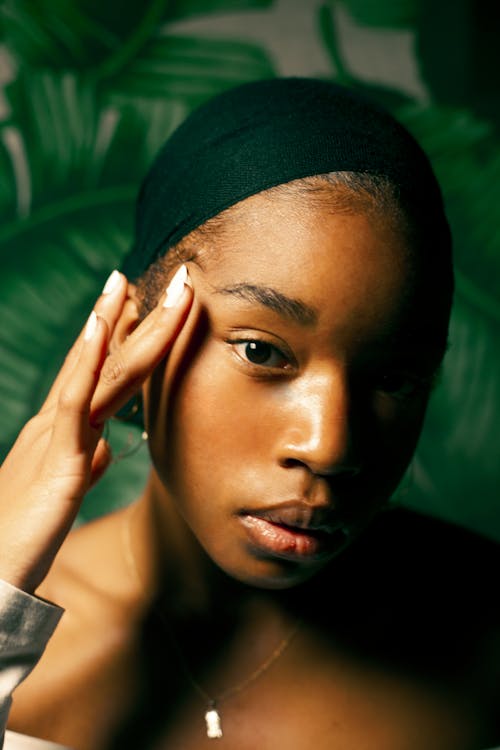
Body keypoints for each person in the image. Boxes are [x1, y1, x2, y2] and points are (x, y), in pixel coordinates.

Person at [0, 77, 499, 750]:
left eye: (394, 377)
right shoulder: (16, 621)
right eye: (263, 352)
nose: (328, 446)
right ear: (130, 336)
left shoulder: (483, 640)